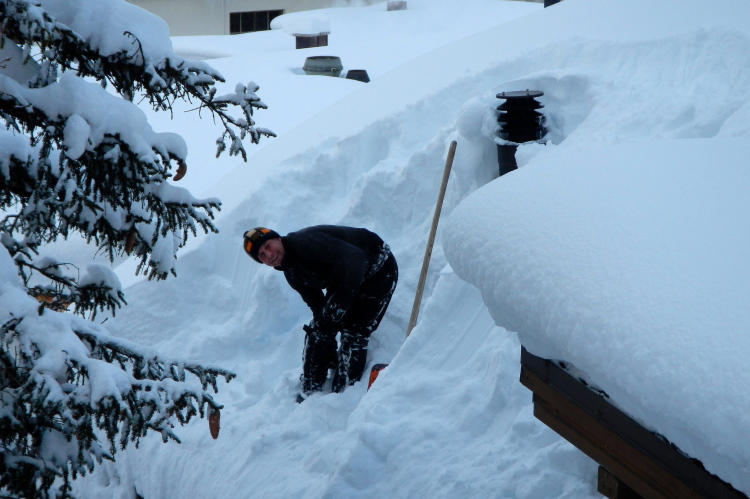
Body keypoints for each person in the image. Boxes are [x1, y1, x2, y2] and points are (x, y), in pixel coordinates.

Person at [243, 225, 398, 402]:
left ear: (278, 239)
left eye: (268, 246)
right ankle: (311, 389)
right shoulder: (291, 273)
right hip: (344, 276)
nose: (269, 255)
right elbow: (317, 305)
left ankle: (343, 395)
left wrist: (343, 300)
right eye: (262, 255)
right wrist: (326, 338)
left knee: (354, 331)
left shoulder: (307, 243)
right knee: (320, 327)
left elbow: (356, 257)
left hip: (377, 267)